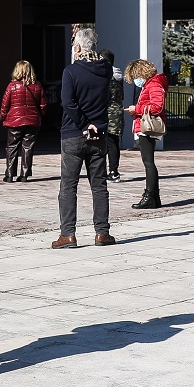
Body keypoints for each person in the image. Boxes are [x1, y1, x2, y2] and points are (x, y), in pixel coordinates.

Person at [53, 27, 114, 248]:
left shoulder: (70, 71)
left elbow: (68, 103)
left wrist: (82, 123)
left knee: (68, 186)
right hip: (99, 133)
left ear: (78, 47)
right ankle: (102, 233)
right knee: (99, 185)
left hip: (73, 134)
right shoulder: (105, 69)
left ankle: (68, 234)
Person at [127, 58, 168, 209]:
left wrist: (136, 110)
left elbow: (157, 106)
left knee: (148, 162)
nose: (135, 80)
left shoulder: (154, 84)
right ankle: (154, 197)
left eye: (135, 76)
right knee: (148, 161)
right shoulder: (151, 84)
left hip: (148, 127)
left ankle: (149, 195)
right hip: (144, 124)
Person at [0, 60, 44, 182]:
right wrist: (39, 115)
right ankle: (24, 174)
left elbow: (5, 104)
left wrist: (3, 117)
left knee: (11, 147)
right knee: (28, 147)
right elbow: (43, 105)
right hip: (32, 120)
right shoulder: (37, 86)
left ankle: (9, 175)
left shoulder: (12, 86)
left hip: (14, 121)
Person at [103, 52, 124, 182]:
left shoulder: (106, 76)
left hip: (107, 112)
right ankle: (114, 170)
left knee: (108, 143)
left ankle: (111, 171)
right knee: (113, 142)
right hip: (117, 111)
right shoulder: (118, 76)